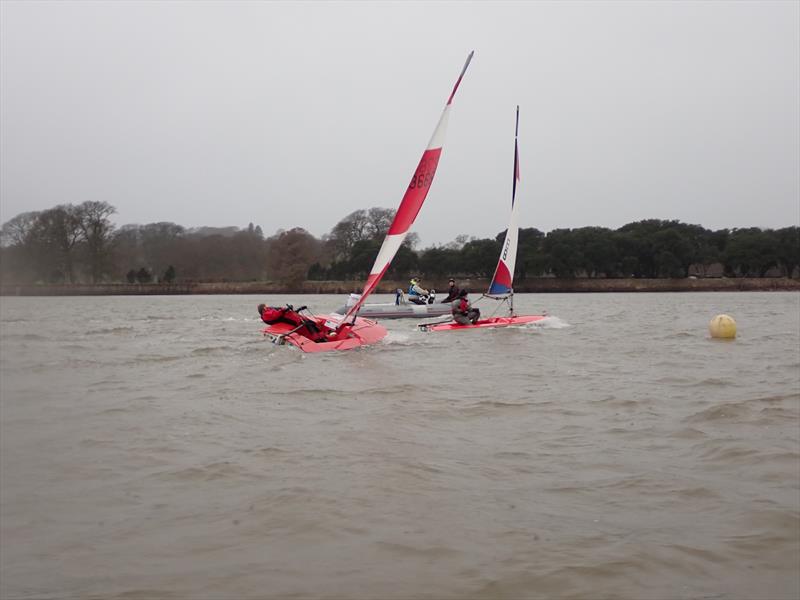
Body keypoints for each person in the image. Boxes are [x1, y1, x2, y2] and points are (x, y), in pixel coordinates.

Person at [258, 303, 328, 342]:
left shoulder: (267, 312)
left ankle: (321, 337)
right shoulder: (266, 314)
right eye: (266, 306)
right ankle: (318, 339)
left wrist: (289, 309)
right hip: (293, 320)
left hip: (292, 317)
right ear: (264, 308)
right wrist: (284, 310)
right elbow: (276, 314)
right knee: (309, 324)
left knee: (311, 323)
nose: (268, 307)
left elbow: (278, 313)